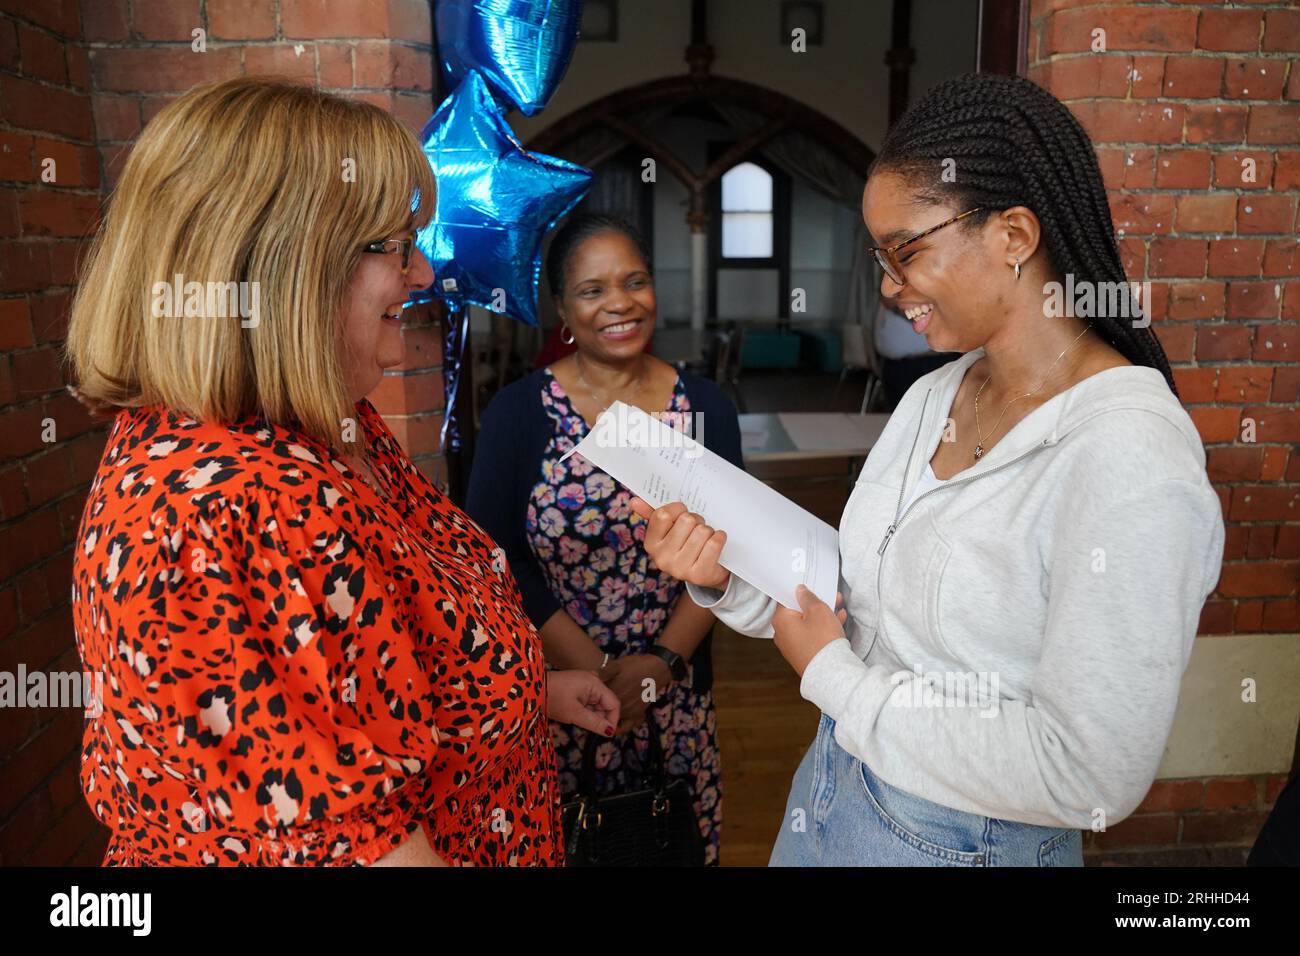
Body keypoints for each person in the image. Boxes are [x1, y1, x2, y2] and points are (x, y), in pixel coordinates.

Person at [633, 73, 1225, 867]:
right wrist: (726, 574)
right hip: (832, 792)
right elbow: (859, 602)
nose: (887, 286)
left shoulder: (1130, 455)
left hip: (959, 845)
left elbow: (1090, 773)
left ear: (1014, 236)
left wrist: (837, 681)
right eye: (879, 258)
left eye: (906, 253)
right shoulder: (936, 393)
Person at [65, 76, 618, 867]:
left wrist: (526, 699)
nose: (423, 275)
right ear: (287, 267)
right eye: (394, 247)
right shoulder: (241, 502)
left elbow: (369, 679)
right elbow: (353, 846)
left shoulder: (326, 431)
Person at [467, 215, 742, 864]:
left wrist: (658, 671)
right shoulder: (519, 413)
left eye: (635, 281)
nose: (620, 302)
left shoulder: (705, 408)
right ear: (563, 309)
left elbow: (729, 553)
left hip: (672, 699)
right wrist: (599, 675)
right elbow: (490, 560)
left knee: (669, 844)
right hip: (557, 697)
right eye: (592, 290)